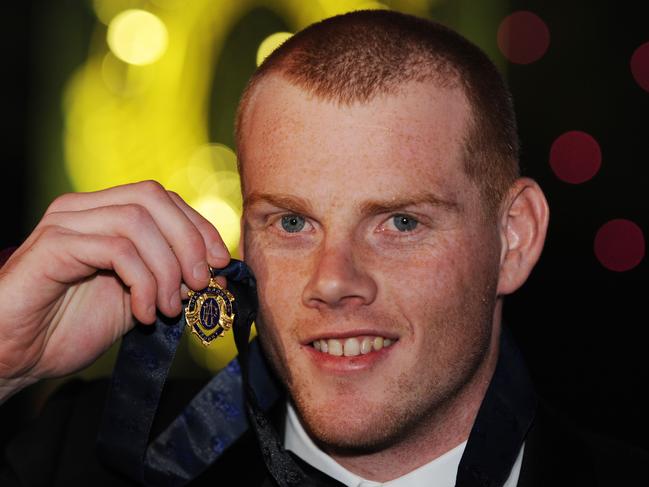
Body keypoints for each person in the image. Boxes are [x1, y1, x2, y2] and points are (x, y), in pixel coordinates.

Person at [0, 9, 646, 487]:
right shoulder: (84, 454)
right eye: (289, 223)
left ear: (513, 237)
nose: (332, 280)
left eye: (398, 223)